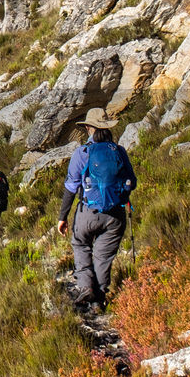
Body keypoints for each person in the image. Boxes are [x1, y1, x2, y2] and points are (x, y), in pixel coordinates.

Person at [57, 108, 137, 312]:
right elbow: (132, 182)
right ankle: (99, 300)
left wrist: (63, 217)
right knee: (103, 256)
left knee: (80, 243)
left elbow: (71, 187)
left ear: (87, 128)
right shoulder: (119, 151)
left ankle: (86, 287)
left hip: (88, 213)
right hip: (115, 214)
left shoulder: (82, 153)